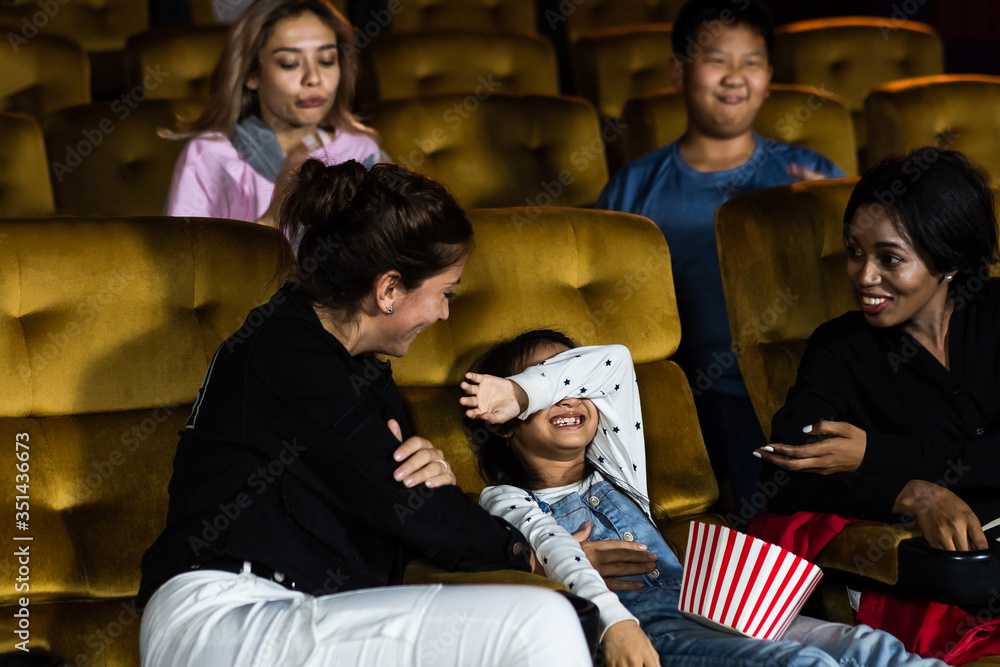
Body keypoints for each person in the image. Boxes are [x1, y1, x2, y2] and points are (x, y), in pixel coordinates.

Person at [137, 161, 592, 666]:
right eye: (444, 293)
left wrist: (431, 487)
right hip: (223, 615)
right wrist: (529, 554)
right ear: (389, 289)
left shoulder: (357, 372)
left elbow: (411, 506)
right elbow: (407, 504)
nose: (444, 313)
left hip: (309, 610)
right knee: (543, 621)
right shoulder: (286, 354)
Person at [461, 329, 947, 667]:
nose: (565, 397)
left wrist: (524, 393)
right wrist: (615, 627)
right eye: (545, 384)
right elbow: (559, 552)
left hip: (715, 606)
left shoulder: (617, 464)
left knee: (870, 648)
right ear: (501, 424)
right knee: (801, 662)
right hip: (641, 628)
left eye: (572, 381)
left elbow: (615, 362)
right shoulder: (504, 498)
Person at [752, 148, 1000, 663]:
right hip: (954, 579)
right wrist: (910, 493)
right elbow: (783, 469)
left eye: (889, 258)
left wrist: (877, 454)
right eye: (854, 252)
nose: (863, 277)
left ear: (948, 259)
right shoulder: (840, 348)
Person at [595, 0, 844, 512]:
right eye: (716, 59)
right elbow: (602, 309)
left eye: (751, 61)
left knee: (788, 535)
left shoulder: (809, 172)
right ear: (678, 71)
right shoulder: (636, 186)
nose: (735, 76)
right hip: (675, 399)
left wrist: (833, 213)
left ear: (770, 77)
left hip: (796, 391)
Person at [162, 0, 382, 226]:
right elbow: (185, 259)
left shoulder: (362, 152)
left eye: (327, 61)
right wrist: (275, 216)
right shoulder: (208, 156)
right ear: (251, 74)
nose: (313, 78)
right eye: (290, 63)